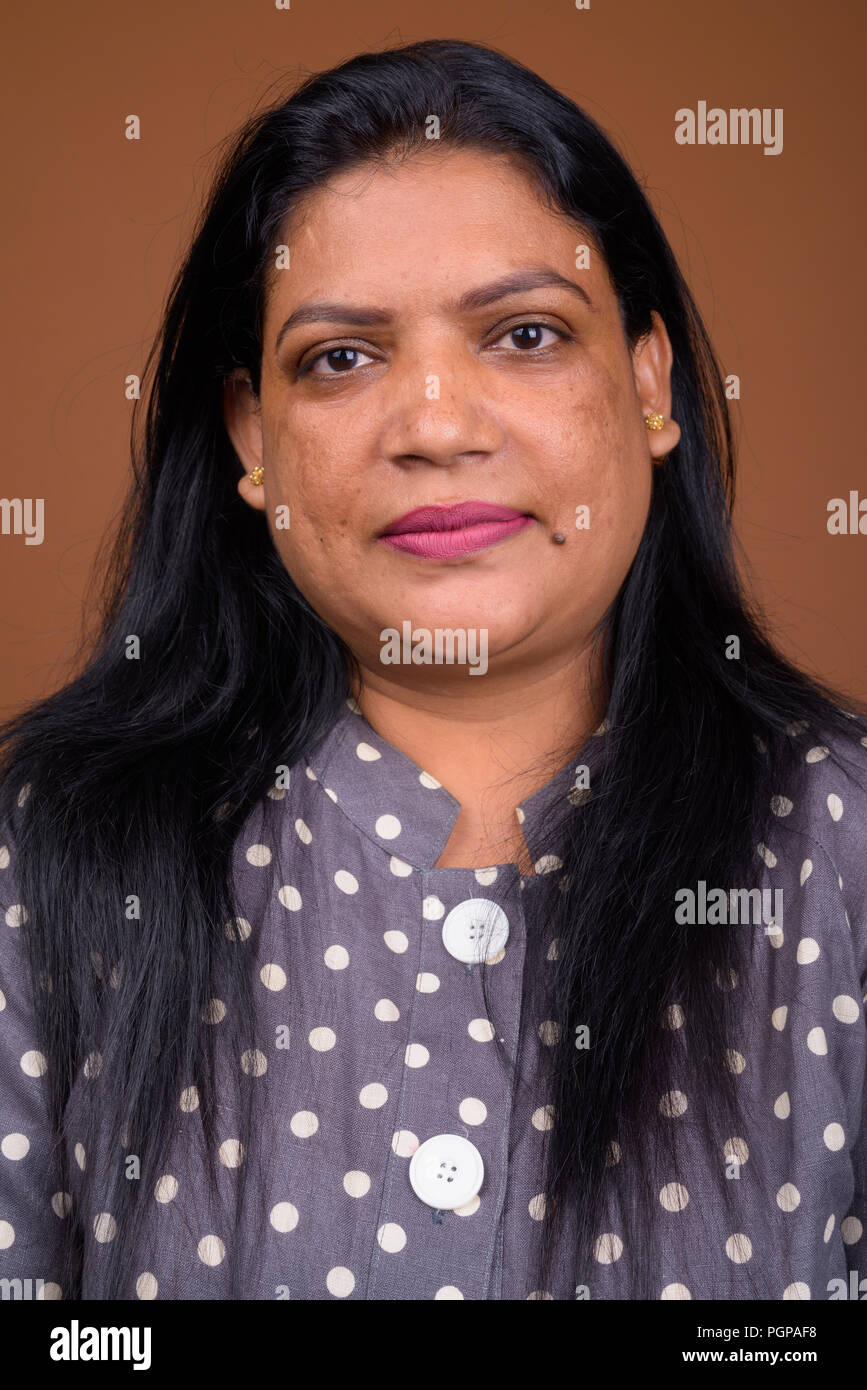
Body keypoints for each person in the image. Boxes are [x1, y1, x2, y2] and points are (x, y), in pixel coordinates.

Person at [1, 37, 865, 1302]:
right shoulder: (49, 856)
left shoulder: (841, 846)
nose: (439, 425)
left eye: (524, 333)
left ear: (650, 382)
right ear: (253, 437)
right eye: (341, 358)